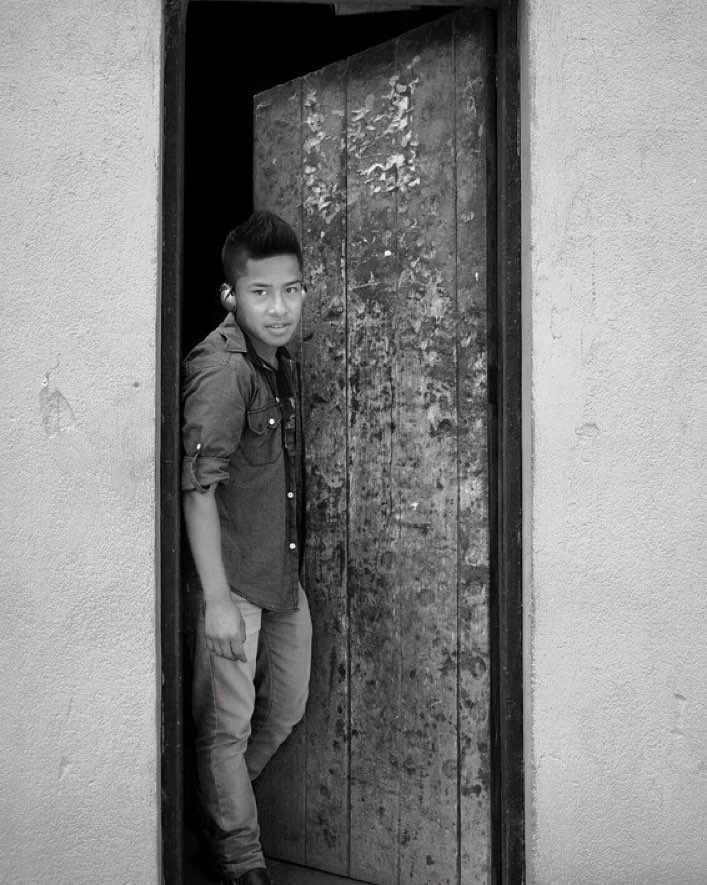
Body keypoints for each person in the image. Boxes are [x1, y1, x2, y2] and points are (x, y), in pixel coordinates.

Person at [181, 211, 312, 885]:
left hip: (278, 572)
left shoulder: (278, 362)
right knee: (225, 727)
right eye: (261, 291)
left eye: (291, 289)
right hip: (232, 581)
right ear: (231, 295)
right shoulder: (225, 371)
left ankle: (213, 807)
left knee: (285, 706)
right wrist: (217, 601)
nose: (280, 306)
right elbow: (198, 488)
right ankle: (240, 857)